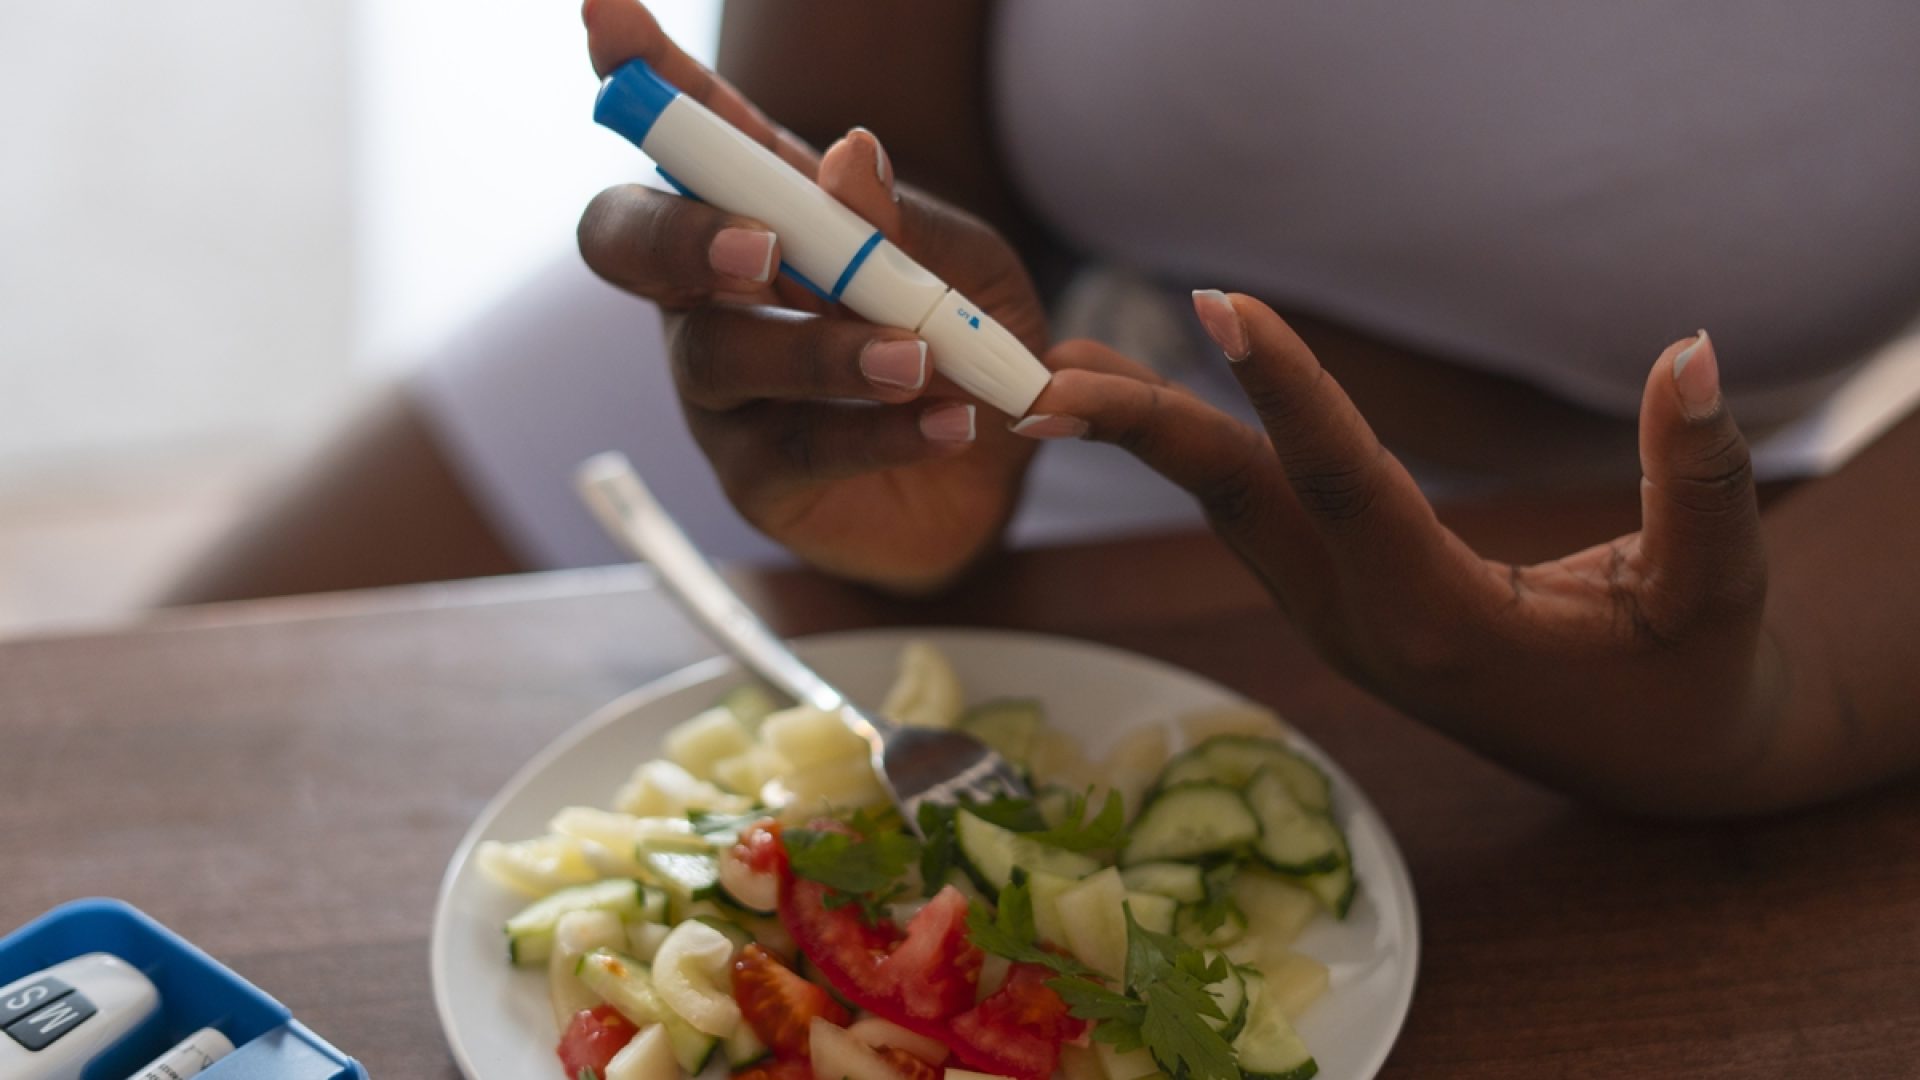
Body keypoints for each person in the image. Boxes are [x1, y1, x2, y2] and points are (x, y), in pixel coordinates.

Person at [171, 1, 1920, 816]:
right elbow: (846, 118)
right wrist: (861, 325)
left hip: (1608, 551)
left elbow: (1784, 678)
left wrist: (1763, 717)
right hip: (889, 357)